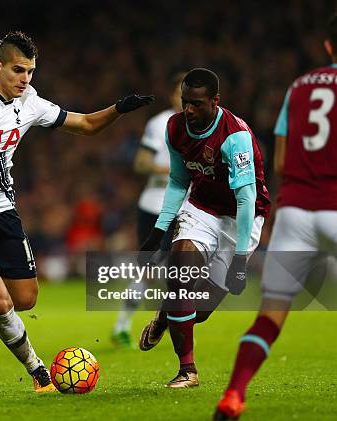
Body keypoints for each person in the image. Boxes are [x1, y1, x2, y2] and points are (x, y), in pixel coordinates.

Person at [0, 31, 154, 393]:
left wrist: (118, 109)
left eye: (31, 72)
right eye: (19, 70)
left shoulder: (29, 102)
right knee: (2, 303)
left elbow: (85, 125)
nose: (25, 79)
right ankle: (38, 372)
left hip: (3, 211)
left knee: (25, 298)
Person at [214, 16, 337, 419]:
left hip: (296, 211)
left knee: (270, 315)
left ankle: (233, 394)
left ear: (328, 46)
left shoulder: (298, 88)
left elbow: (282, 160)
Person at [137, 68, 271, 388]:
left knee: (199, 311)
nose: (189, 110)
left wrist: (239, 262)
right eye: (185, 103)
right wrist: (158, 232)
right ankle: (188, 371)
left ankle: (166, 316)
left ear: (215, 101)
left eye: (197, 104)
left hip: (242, 218)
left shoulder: (234, 136)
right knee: (180, 275)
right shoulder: (175, 127)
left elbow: (246, 199)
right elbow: (178, 181)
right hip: (201, 210)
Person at [111, 72, 185, 348]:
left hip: (185, 208)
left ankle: (140, 324)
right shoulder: (160, 123)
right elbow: (141, 163)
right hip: (155, 206)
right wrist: (174, 171)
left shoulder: (204, 124)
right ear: (171, 95)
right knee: (153, 269)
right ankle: (125, 326)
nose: (185, 98)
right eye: (180, 92)